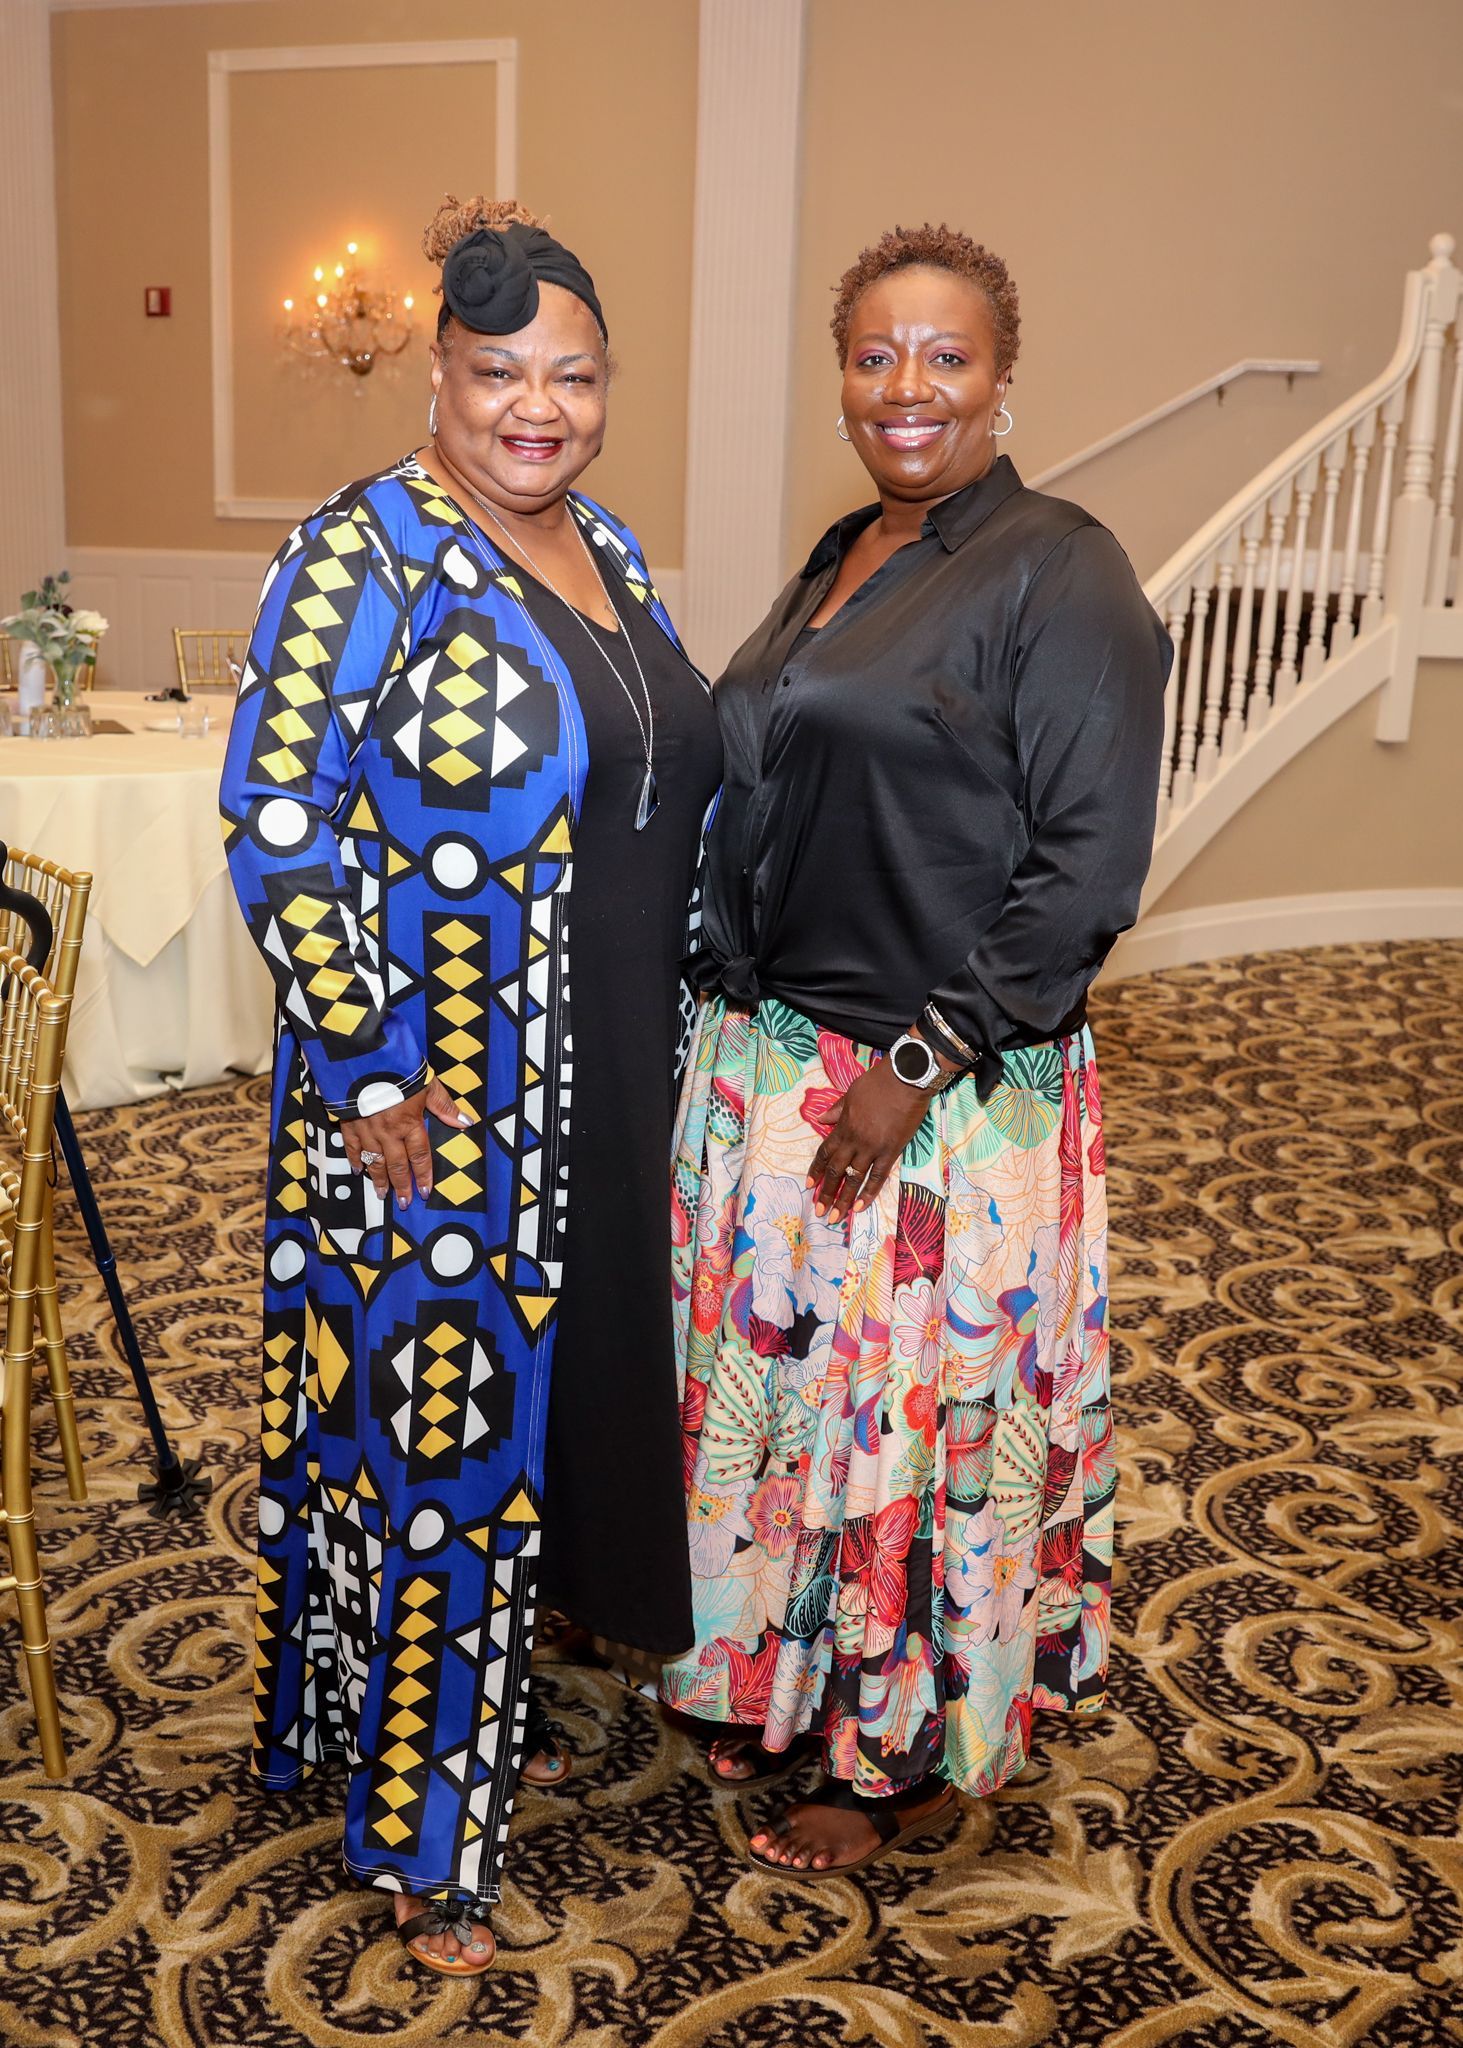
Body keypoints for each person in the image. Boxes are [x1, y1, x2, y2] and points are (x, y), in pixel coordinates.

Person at [221, 197, 719, 1973]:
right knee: (438, 1442)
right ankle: (432, 1850)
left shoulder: (616, 548)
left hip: (603, 1078)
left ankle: (479, 1694)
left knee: (539, 1415)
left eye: (571, 376)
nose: (537, 407)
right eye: (500, 371)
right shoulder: (362, 554)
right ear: (437, 370)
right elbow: (279, 828)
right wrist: (366, 1070)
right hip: (445, 1095)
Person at [659, 223, 1171, 1875]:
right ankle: (784, 1679)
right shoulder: (844, 555)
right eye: (876, 353)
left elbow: (1085, 865)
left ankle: (902, 1757)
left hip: (937, 1087)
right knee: (801, 1401)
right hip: (789, 1053)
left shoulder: (1059, 564)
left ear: (1004, 377)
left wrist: (919, 1057)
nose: (907, 386)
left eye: (945, 355)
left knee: (916, 1429)